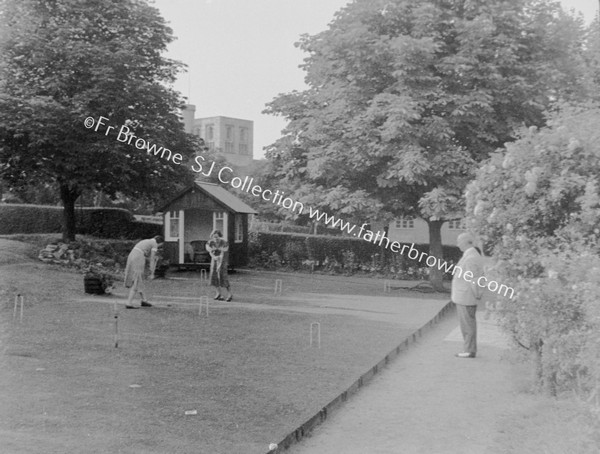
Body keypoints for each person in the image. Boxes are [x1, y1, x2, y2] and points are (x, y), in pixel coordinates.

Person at [451, 232, 485, 358]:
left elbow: (474, 280)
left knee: (467, 325)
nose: (457, 244)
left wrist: (477, 294)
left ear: (466, 242)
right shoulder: (471, 255)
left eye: (459, 241)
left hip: (466, 296)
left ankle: (469, 350)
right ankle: (469, 348)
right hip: (465, 296)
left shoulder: (470, 258)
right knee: (467, 324)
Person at [124, 235, 164, 309]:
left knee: (139, 279)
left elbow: (146, 256)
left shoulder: (146, 241)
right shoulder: (154, 244)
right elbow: (152, 259)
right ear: (160, 242)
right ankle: (129, 302)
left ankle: (144, 300)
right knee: (137, 279)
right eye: (160, 245)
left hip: (132, 256)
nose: (159, 247)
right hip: (138, 258)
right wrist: (152, 273)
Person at [206, 229, 232, 301]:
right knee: (214, 277)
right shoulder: (210, 243)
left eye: (217, 237)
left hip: (222, 260)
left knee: (223, 277)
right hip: (214, 260)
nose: (215, 239)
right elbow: (210, 252)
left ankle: (229, 294)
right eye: (214, 237)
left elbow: (222, 254)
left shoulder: (224, 243)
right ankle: (218, 293)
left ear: (219, 236)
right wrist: (214, 257)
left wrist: (219, 265)